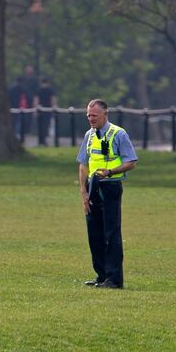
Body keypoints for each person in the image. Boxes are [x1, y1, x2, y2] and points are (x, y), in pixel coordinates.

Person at [77, 99, 137, 289]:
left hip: (110, 186)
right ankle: (101, 275)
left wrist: (111, 171)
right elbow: (83, 164)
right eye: (88, 115)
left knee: (111, 233)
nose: (90, 118)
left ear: (105, 114)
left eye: (94, 115)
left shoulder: (118, 134)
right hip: (92, 186)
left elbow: (131, 161)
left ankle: (114, 279)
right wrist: (83, 192)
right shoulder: (89, 135)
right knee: (94, 234)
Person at [35, 77, 57, 146]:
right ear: (48, 83)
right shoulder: (50, 90)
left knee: (40, 126)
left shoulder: (38, 90)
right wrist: (54, 107)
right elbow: (52, 100)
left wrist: (36, 108)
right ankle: (44, 140)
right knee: (46, 125)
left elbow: (36, 100)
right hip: (48, 110)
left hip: (40, 109)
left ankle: (40, 141)